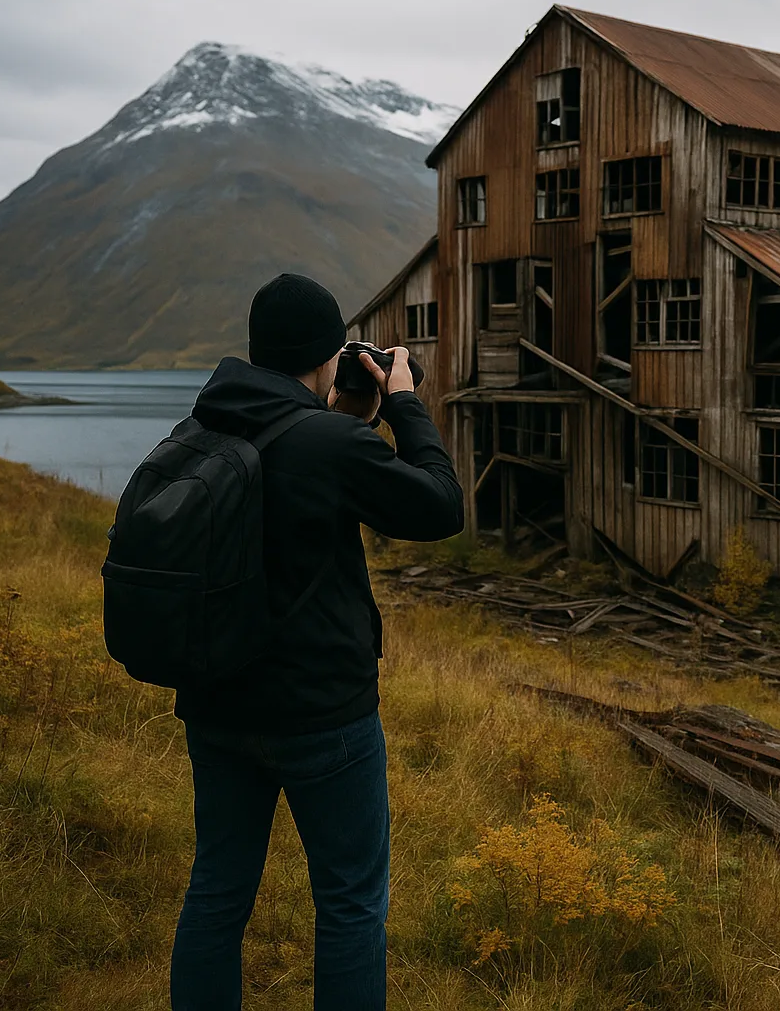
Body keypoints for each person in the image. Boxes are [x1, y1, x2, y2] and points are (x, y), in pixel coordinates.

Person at [169, 273, 463, 1011]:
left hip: (218, 705)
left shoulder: (204, 427)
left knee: (216, 893)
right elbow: (439, 506)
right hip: (324, 717)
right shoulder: (326, 442)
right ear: (331, 352)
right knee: (350, 904)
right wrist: (401, 404)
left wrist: (345, 420)